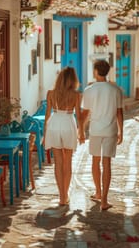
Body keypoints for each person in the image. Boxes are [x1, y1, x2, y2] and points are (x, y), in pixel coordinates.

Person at [81, 59, 123, 211]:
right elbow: (119, 112)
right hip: (111, 130)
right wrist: (121, 131)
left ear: (95, 71)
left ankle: (98, 192)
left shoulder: (89, 90)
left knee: (95, 161)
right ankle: (104, 199)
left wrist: (81, 129)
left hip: (96, 130)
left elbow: (85, 113)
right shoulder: (116, 90)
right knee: (107, 164)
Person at [43, 66, 85, 206]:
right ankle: (64, 196)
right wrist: (82, 133)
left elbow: (47, 115)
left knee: (58, 162)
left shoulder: (51, 93)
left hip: (54, 124)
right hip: (68, 124)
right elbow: (79, 116)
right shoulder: (76, 95)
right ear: (73, 80)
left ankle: (61, 195)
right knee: (68, 162)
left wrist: (44, 135)